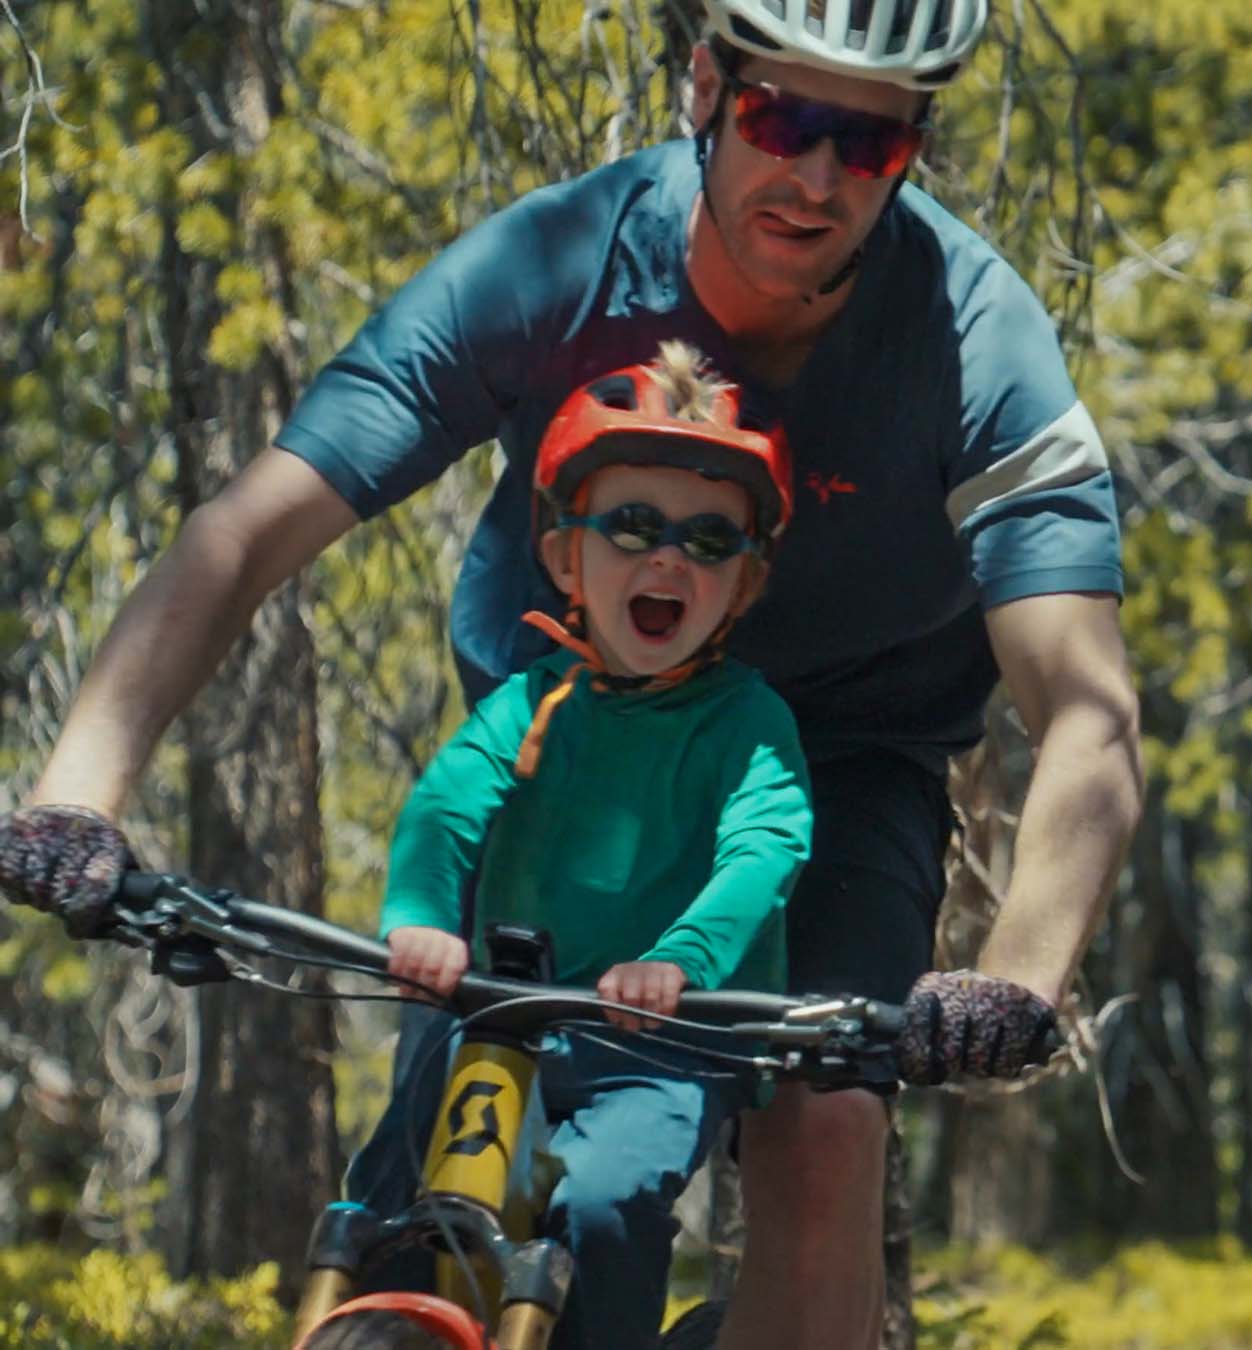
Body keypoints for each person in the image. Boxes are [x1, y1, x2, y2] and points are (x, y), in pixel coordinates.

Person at [0, 0, 1143, 1343]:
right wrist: (78, 792)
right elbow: (246, 533)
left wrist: (1016, 972)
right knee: (463, 1104)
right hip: (572, 731)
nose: (818, 177)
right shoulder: (556, 261)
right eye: (784, 121)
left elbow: (1088, 709)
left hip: (834, 768)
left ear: (914, 149)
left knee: (825, 1129)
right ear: (704, 86)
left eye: (870, 145)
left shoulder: (977, 337)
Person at [326, 343, 808, 1349]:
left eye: (709, 540)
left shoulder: (748, 722)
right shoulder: (527, 703)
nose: (666, 559)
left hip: (660, 1047)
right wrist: (418, 921)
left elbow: (765, 848)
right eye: (631, 526)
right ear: (563, 559)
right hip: (506, 1019)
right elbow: (447, 808)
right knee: (393, 1205)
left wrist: (681, 960)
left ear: (747, 585)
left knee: (597, 1205)